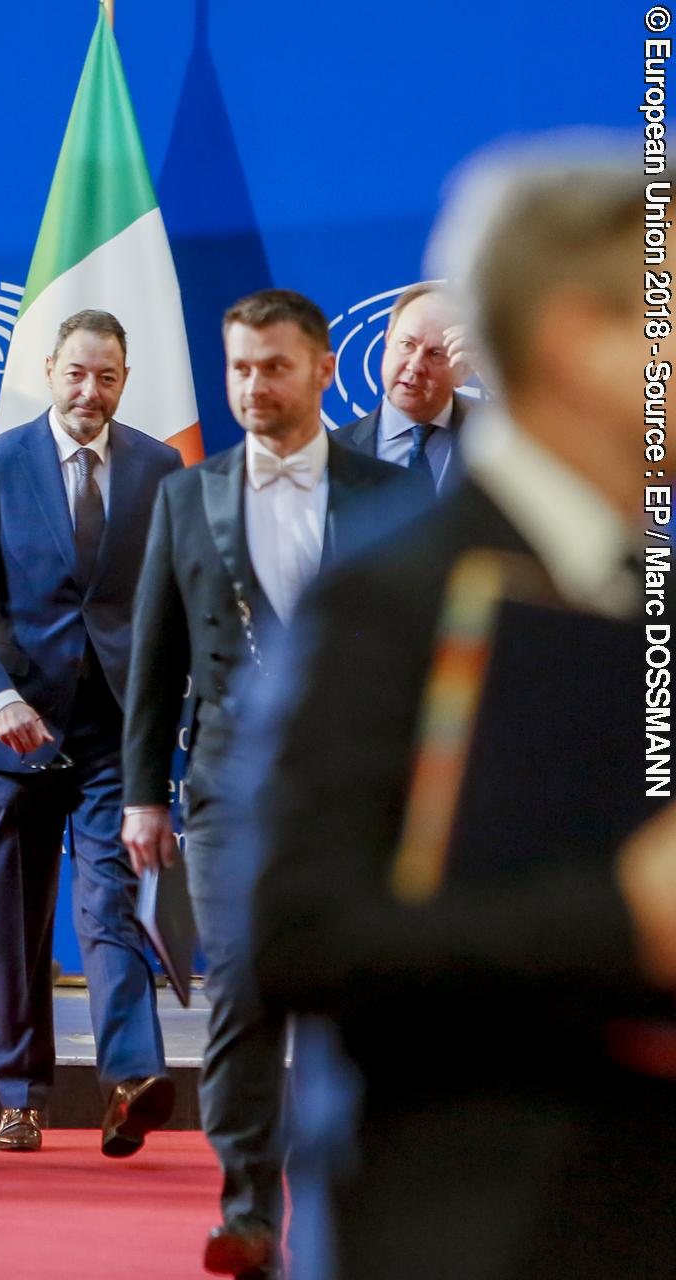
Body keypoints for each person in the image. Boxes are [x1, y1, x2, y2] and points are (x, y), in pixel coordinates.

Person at [252, 148, 676, 1279]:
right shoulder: (388, 596)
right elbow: (299, 937)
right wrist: (621, 917)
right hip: (460, 1227)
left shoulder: (647, 591)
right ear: (577, 338)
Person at [121, 289, 417, 1277]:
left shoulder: (388, 493)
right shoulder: (183, 493)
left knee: (358, 991)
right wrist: (141, 796)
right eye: (240, 367)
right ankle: (246, 1205)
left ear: (325, 369)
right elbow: (154, 661)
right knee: (244, 986)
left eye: (275, 366)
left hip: (365, 787)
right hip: (224, 791)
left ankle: (357, 1193)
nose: (253, 385)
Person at [0, 309, 183, 1157]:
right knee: (17, 913)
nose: (90, 391)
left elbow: (171, 600)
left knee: (111, 901)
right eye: (76, 373)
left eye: (107, 376)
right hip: (15, 728)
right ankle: (20, 1093)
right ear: (48, 369)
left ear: (124, 379)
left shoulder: (156, 466)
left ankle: (131, 1079)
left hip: (114, 725)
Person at [337, 282, 474, 491]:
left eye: (435, 354)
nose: (415, 366)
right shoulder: (334, 455)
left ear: (462, 370)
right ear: (388, 339)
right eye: (407, 345)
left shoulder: (498, 436)